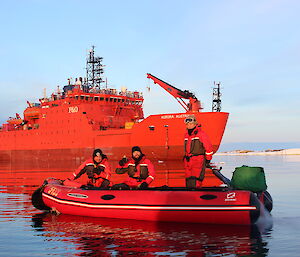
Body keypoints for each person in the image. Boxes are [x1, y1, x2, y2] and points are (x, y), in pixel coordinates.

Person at [183, 115, 213, 188]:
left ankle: (196, 194)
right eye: (187, 124)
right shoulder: (186, 135)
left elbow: (208, 148)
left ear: (195, 123)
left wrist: (208, 159)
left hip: (198, 160)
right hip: (188, 161)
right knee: (188, 179)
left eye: (191, 124)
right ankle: (189, 194)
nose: (189, 125)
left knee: (196, 179)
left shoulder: (201, 134)